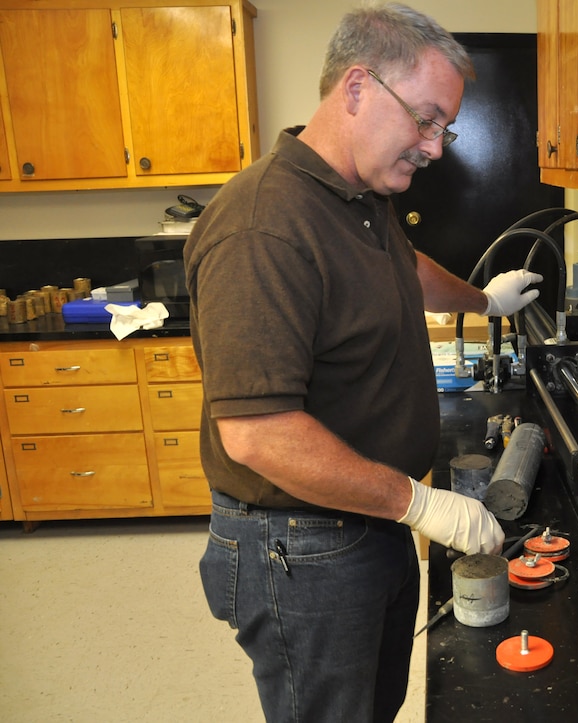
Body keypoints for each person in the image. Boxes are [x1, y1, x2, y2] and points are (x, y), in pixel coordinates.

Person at [183, 4, 542, 721]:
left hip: (363, 523)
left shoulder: (358, 196)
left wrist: (485, 299)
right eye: (426, 120)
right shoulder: (264, 227)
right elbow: (258, 434)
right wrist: (419, 503)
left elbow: (406, 270)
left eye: (445, 127)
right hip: (301, 548)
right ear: (357, 89)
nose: (436, 147)